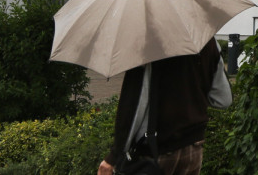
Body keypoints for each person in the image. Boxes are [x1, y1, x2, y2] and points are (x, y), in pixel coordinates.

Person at [99, 38, 232, 175]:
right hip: (193, 148)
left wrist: (113, 157)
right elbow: (223, 99)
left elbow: (135, 107)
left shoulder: (149, 44)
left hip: (158, 152)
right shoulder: (207, 41)